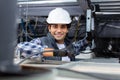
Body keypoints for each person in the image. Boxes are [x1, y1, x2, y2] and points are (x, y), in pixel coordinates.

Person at [15, 8, 92, 61]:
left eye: (62, 27)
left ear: (67, 29)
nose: (59, 30)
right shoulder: (42, 42)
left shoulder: (69, 45)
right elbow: (19, 48)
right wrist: (52, 52)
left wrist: (88, 40)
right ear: (49, 28)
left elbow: (78, 46)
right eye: (55, 26)